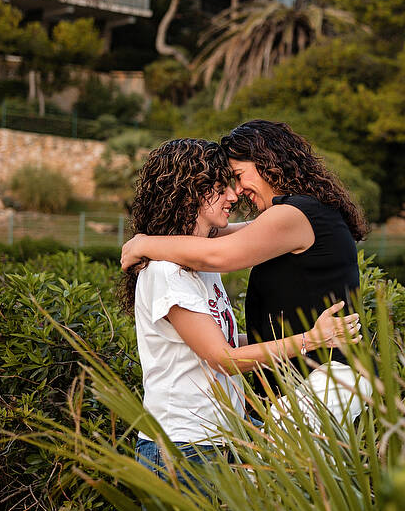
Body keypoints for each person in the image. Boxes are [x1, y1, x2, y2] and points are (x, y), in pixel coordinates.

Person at [120, 138, 360, 474]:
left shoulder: (201, 265)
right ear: (189, 192)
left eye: (234, 181)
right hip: (184, 446)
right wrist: (310, 340)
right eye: (220, 187)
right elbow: (223, 359)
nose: (233, 195)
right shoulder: (166, 270)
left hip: (217, 441)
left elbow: (228, 343)